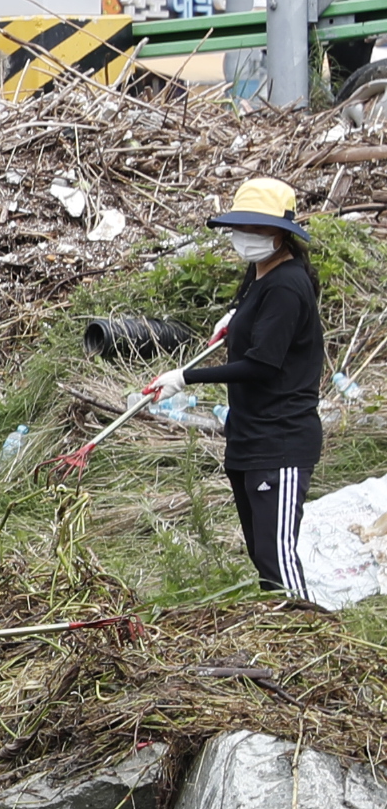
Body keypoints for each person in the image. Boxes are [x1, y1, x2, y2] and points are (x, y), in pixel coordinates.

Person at [140, 178, 326, 599]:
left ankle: (313, 639)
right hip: (247, 437)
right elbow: (255, 317)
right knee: (261, 554)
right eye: (242, 227)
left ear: (281, 234)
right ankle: (280, 639)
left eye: (257, 229)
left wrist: (185, 378)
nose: (247, 237)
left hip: (279, 440)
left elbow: (261, 365)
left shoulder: (286, 285)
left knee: (278, 559)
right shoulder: (261, 276)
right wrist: (235, 318)